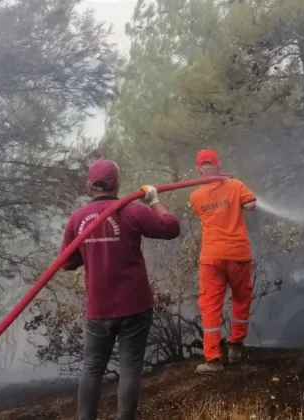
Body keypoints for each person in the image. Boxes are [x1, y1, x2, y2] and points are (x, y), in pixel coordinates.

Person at [60, 158, 180, 420]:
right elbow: (171, 227)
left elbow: (67, 263)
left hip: (98, 308)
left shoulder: (77, 219)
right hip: (134, 305)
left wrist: (91, 251)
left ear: (90, 185)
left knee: (92, 368)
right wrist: (154, 201)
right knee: (130, 367)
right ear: (118, 182)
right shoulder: (132, 212)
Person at [189, 149, 257, 374]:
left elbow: (204, 214)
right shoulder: (235, 185)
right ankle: (236, 346)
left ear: (199, 169)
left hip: (212, 258)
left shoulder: (196, 196)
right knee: (240, 299)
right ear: (219, 164)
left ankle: (213, 360)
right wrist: (232, 195)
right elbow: (250, 205)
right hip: (238, 255)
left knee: (210, 307)